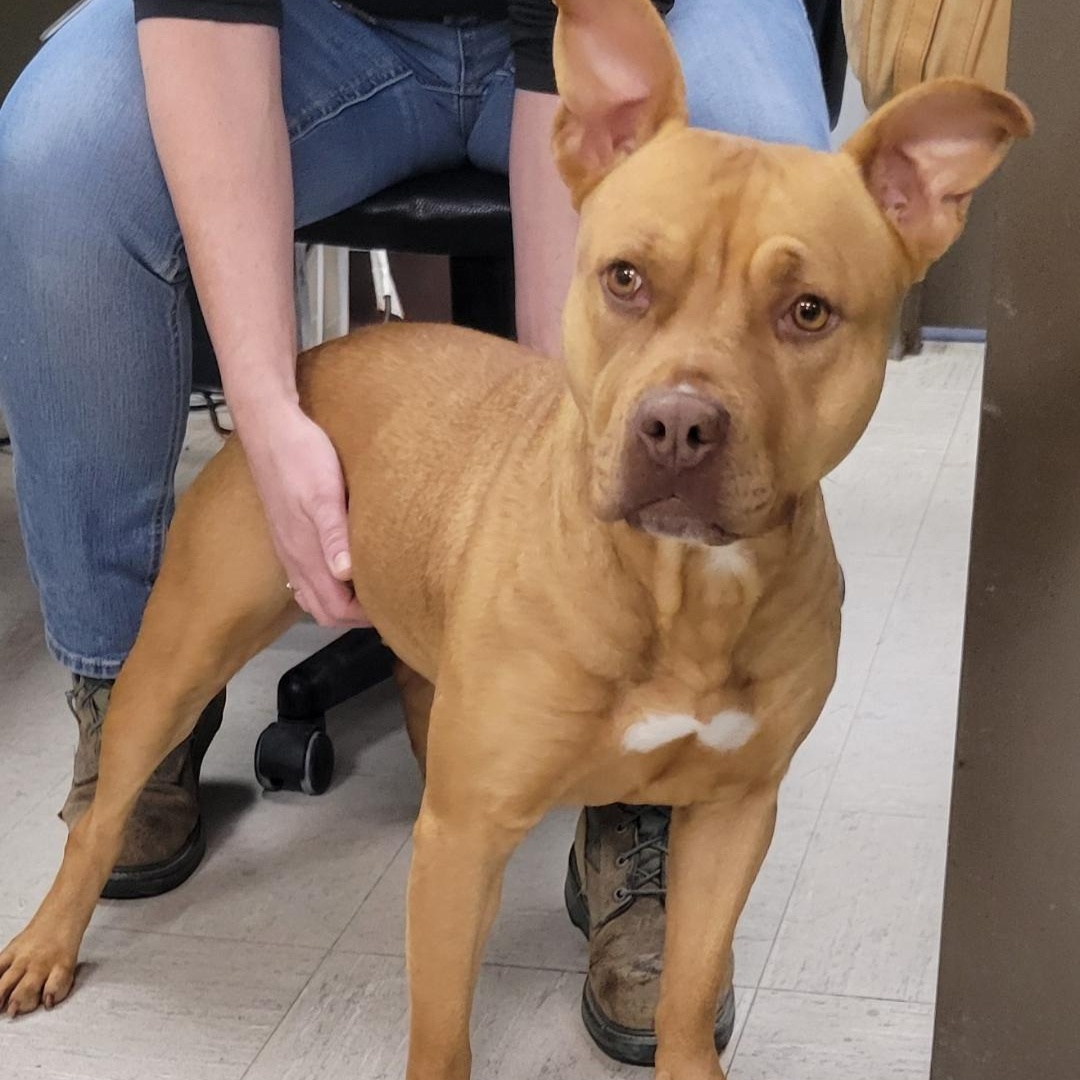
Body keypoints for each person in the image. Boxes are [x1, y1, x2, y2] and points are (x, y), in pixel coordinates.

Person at [0, 0, 829, 1060]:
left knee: (781, 185)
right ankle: (119, 737)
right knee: (56, 164)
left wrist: (595, 449)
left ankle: (643, 797)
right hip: (328, 24)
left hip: (614, 19)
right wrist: (265, 413)